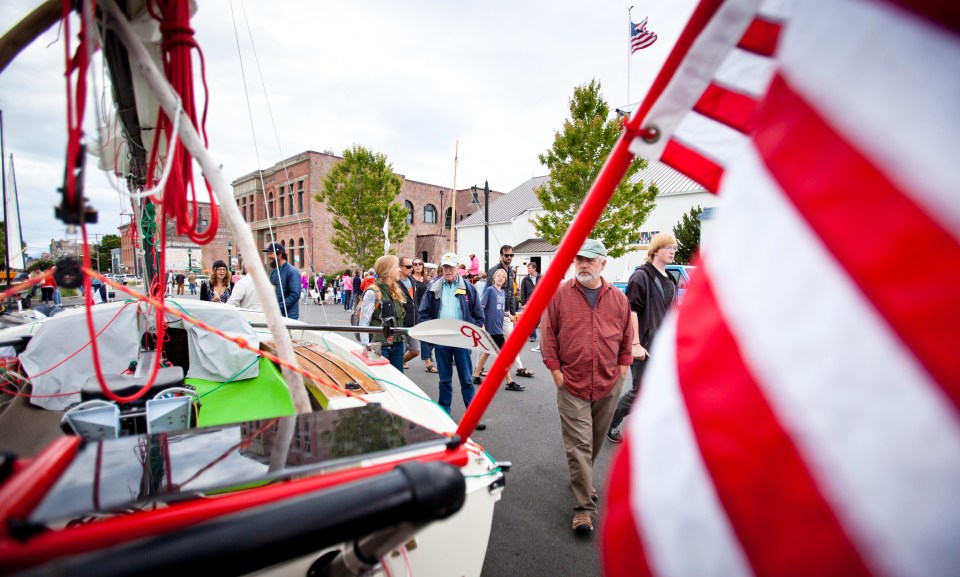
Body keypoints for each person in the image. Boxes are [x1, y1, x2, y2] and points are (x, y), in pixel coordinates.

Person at [540, 239, 632, 534]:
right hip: (572, 384)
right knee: (579, 444)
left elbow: (627, 337)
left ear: (603, 264)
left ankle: (582, 478)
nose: (582, 264)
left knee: (593, 440)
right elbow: (548, 336)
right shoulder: (559, 295)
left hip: (608, 382)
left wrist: (623, 367)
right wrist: (556, 372)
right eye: (579, 259)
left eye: (589, 260)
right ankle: (583, 509)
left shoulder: (619, 299)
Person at [606, 233, 678, 444]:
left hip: (662, 347)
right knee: (640, 392)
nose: (673, 251)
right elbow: (631, 311)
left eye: (675, 247)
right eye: (668, 247)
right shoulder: (642, 276)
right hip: (643, 346)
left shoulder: (670, 279)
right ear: (655, 249)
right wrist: (635, 343)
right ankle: (608, 422)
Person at [419, 252, 486, 430]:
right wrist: (433, 333)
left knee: (466, 379)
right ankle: (445, 413)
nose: (448, 270)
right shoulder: (433, 288)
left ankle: (473, 416)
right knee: (444, 379)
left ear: (458, 268)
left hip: (462, 341)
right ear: (442, 268)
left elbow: (479, 316)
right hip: (442, 340)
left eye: (451, 267)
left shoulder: (468, 288)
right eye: (445, 267)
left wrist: (471, 334)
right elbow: (423, 314)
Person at [472, 268, 524, 392]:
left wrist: (509, 315)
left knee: (487, 352)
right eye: (498, 276)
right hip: (492, 329)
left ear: (505, 280)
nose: (500, 278)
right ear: (494, 278)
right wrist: (482, 324)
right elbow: (482, 306)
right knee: (503, 356)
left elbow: (499, 310)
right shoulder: (490, 290)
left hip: (498, 327)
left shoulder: (502, 293)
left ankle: (475, 375)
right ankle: (509, 382)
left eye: (503, 277)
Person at [488, 245, 535, 378]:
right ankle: (477, 369)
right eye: (506, 255)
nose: (509, 258)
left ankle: (519, 368)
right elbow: (488, 293)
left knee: (511, 341)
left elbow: (510, 294)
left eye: (511, 255)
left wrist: (513, 313)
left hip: (506, 313)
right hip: (494, 315)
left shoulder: (510, 272)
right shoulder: (494, 271)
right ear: (501, 256)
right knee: (487, 343)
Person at [358, 255, 407, 372]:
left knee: (397, 381)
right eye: (397, 267)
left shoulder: (396, 290)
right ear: (388, 271)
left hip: (397, 345)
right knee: (382, 380)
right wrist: (366, 348)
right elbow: (363, 323)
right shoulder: (372, 292)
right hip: (379, 346)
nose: (400, 270)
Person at [397, 256, 426, 370]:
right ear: (400, 267)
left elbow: (416, 300)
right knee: (400, 350)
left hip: (414, 321)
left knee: (415, 351)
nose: (411, 269)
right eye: (409, 266)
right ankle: (396, 367)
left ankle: (395, 364)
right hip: (401, 322)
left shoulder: (413, 281)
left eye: (412, 266)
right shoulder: (395, 283)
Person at [411, 258, 437, 373]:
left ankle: (427, 360)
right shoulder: (410, 280)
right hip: (414, 311)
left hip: (426, 311)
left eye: (419, 264)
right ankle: (427, 362)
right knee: (409, 338)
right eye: (415, 264)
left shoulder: (426, 281)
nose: (417, 266)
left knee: (427, 337)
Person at [263, 243, 301, 319]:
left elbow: (295, 294)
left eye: (271, 253)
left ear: (280, 254)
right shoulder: (274, 272)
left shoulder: (292, 271)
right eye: (268, 254)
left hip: (289, 316)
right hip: (276, 315)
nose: (269, 256)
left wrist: (279, 307)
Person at [519, 261, 541, 346]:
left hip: (539, 302)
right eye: (527, 268)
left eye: (529, 268)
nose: (527, 270)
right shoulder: (525, 279)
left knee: (539, 319)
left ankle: (529, 330)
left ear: (534, 268)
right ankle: (532, 336)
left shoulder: (541, 278)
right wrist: (524, 303)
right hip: (529, 302)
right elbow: (522, 292)